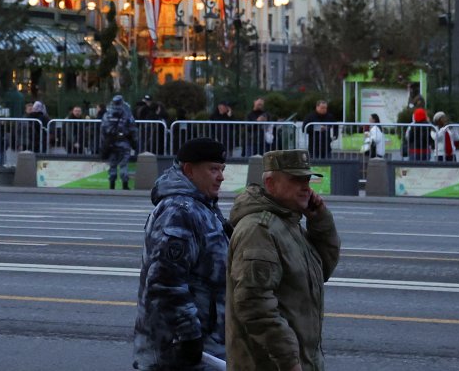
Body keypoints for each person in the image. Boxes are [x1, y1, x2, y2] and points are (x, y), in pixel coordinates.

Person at [227, 149, 341, 371]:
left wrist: (320, 221)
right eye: (296, 180)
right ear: (271, 183)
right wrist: (290, 361)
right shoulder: (259, 229)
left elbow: (321, 271)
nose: (306, 187)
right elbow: (254, 305)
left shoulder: (288, 222)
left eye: (307, 179)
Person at [133, 139, 231, 370]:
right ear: (189, 170)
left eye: (222, 169)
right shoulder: (179, 211)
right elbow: (165, 283)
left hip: (205, 344)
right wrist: (189, 336)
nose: (221, 177)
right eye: (213, 169)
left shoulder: (202, 206)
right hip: (180, 350)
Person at [101, 94, 137, 190]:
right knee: (123, 163)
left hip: (111, 142)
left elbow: (103, 129)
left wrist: (105, 142)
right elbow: (133, 129)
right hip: (123, 142)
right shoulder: (127, 114)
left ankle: (111, 184)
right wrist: (134, 142)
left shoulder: (107, 114)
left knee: (112, 164)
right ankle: (125, 185)